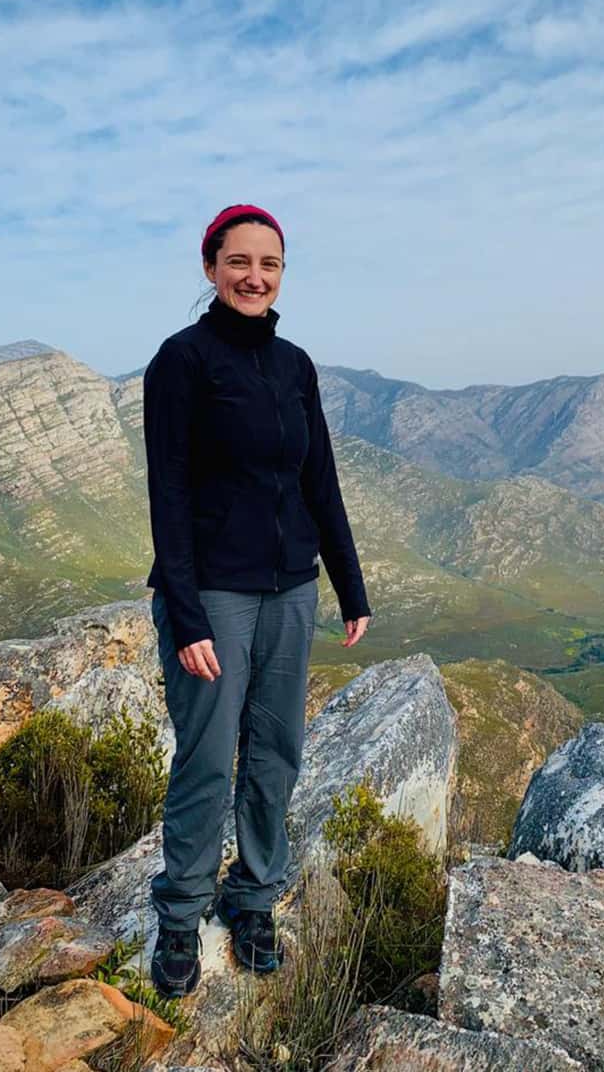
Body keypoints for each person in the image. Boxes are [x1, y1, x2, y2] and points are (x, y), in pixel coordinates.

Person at [142, 203, 372, 998]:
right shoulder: (182, 361)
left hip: (291, 592)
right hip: (212, 594)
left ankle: (253, 899)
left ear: (282, 274)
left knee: (277, 755)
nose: (254, 277)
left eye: (269, 264)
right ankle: (179, 917)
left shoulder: (295, 366)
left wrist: (350, 585)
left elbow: (321, 482)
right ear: (211, 268)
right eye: (239, 262)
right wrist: (186, 612)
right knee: (207, 760)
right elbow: (166, 494)